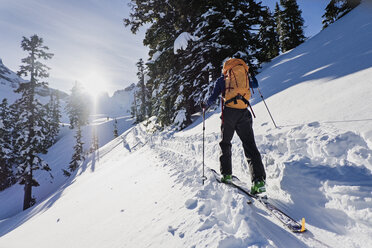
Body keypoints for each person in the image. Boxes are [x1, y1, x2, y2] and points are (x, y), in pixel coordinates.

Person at [201, 58, 266, 194]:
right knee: (250, 145)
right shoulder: (245, 77)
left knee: (225, 143)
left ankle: (226, 175)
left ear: (226, 68)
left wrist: (205, 105)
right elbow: (255, 84)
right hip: (244, 113)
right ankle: (258, 182)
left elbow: (213, 97)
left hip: (229, 113)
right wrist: (250, 75)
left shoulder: (223, 80)